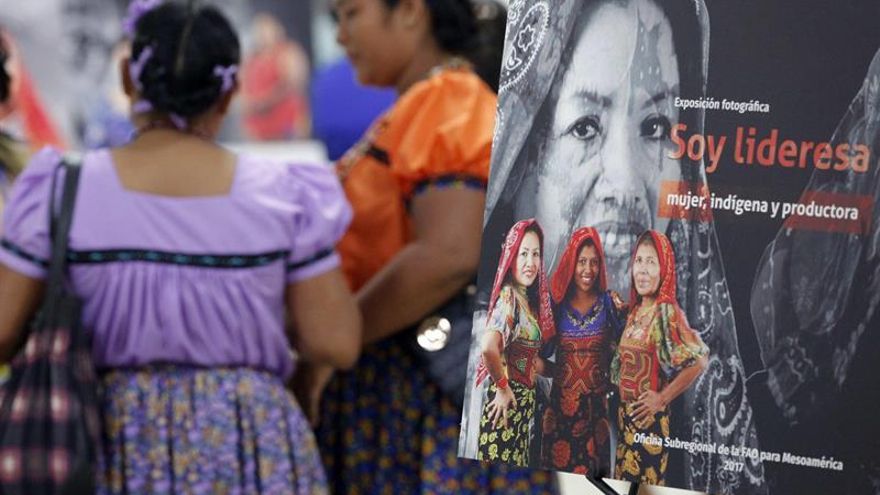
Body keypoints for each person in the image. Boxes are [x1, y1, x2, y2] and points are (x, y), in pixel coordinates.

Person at [0, 2, 360, 493]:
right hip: (250, 441)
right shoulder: (285, 194)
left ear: (129, 78)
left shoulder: (61, 189)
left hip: (106, 438)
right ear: (230, 92)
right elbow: (334, 340)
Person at [479, 0, 767, 491]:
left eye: (655, 128)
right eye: (585, 127)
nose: (627, 180)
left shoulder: (671, 347)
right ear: (519, 159)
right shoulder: (480, 382)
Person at [302, 0, 557, 492]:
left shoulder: (447, 100)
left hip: (422, 391)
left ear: (411, 12)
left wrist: (336, 342)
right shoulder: (430, 103)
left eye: (351, 15)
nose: (340, 37)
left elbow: (449, 254)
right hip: (408, 380)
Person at [611, 230, 708, 486]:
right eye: (639, 261)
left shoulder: (666, 312)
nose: (642, 270)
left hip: (649, 426)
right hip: (625, 424)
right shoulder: (636, 311)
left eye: (651, 262)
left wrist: (662, 398)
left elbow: (699, 361)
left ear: (663, 269)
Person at [539, 226, 626, 474]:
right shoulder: (557, 306)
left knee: (594, 478)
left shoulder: (610, 302)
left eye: (594, 262)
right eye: (581, 262)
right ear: (571, 263)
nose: (588, 270)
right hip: (559, 414)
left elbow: (627, 346)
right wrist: (561, 375)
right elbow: (541, 356)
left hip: (596, 414)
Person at [475, 219, 554, 467]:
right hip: (504, 413)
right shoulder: (509, 297)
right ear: (511, 257)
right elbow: (489, 348)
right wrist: (502, 387)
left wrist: (563, 371)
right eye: (523, 254)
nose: (530, 263)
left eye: (535, 254)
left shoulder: (525, 303)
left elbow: (530, 360)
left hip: (519, 413)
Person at [240, 12, 311, 140]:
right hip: (258, 125)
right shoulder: (251, 59)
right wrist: (251, 103)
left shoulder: (288, 53)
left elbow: (294, 83)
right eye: (260, 31)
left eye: (267, 30)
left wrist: (266, 101)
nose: (263, 35)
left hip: (286, 121)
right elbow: (242, 89)